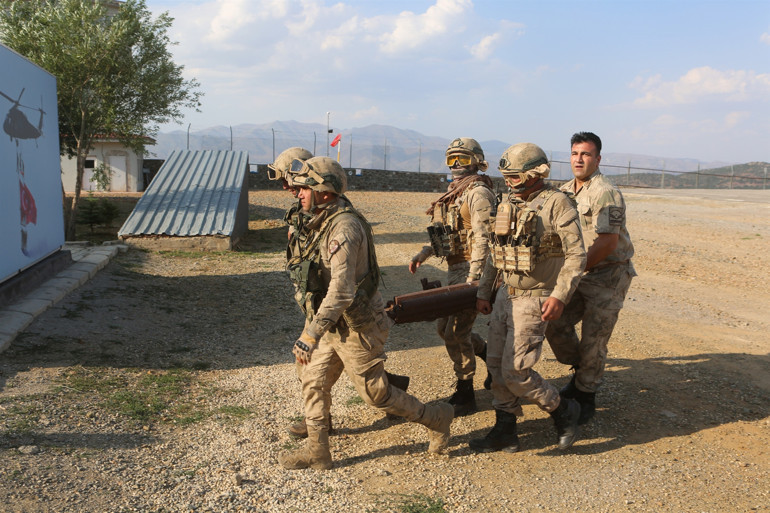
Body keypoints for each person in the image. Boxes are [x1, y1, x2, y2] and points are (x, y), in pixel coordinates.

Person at [278, 156, 453, 470]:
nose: (298, 192)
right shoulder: (318, 219)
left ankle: (436, 418)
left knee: (376, 394)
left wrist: (311, 334)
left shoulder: (344, 227)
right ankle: (319, 454)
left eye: (304, 188)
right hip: (331, 321)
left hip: (358, 325)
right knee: (312, 381)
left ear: (324, 191)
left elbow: (342, 289)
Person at [268, 148, 409, 439]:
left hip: (345, 309)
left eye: (288, 180)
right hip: (320, 302)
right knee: (310, 371)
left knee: (367, 384)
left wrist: (313, 331)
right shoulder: (303, 213)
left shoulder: (339, 219)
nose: (286, 187)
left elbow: (342, 281)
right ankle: (320, 422)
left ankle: (410, 404)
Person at [470, 142, 586, 452]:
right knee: (496, 366)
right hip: (504, 297)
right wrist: (484, 291)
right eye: (506, 176)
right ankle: (505, 430)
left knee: (516, 371)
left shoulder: (557, 203)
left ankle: (563, 410)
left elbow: (576, 255)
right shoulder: (508, 203)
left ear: (536, 174)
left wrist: (560, 295)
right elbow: (496, 252)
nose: (509, 182)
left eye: (515, 177)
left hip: (535, 299)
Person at [545, 132, 636, 425]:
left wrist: (575, 269)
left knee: (594, 337)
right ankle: (582, 370)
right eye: (575, 153)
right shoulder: (564, 191)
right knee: (554, 321)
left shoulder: (606, 192)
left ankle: (586, 394)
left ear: (597, 159)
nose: (579, 159)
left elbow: (608, 242)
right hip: (579, 271)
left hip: (609, 274)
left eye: (585, 154)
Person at [409, 137, 494, 416]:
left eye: (463, 159)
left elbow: (484, 238)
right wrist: (423, 254)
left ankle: (466, 391)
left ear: (477, 162)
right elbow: (445, 233)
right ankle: (489, 356)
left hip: (472, 270)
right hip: (456, 269)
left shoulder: (478, 194)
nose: (456, 164)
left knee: (456, 331)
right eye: (451, 159)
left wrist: (475, 279)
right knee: (443, 328)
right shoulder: (454, 193)